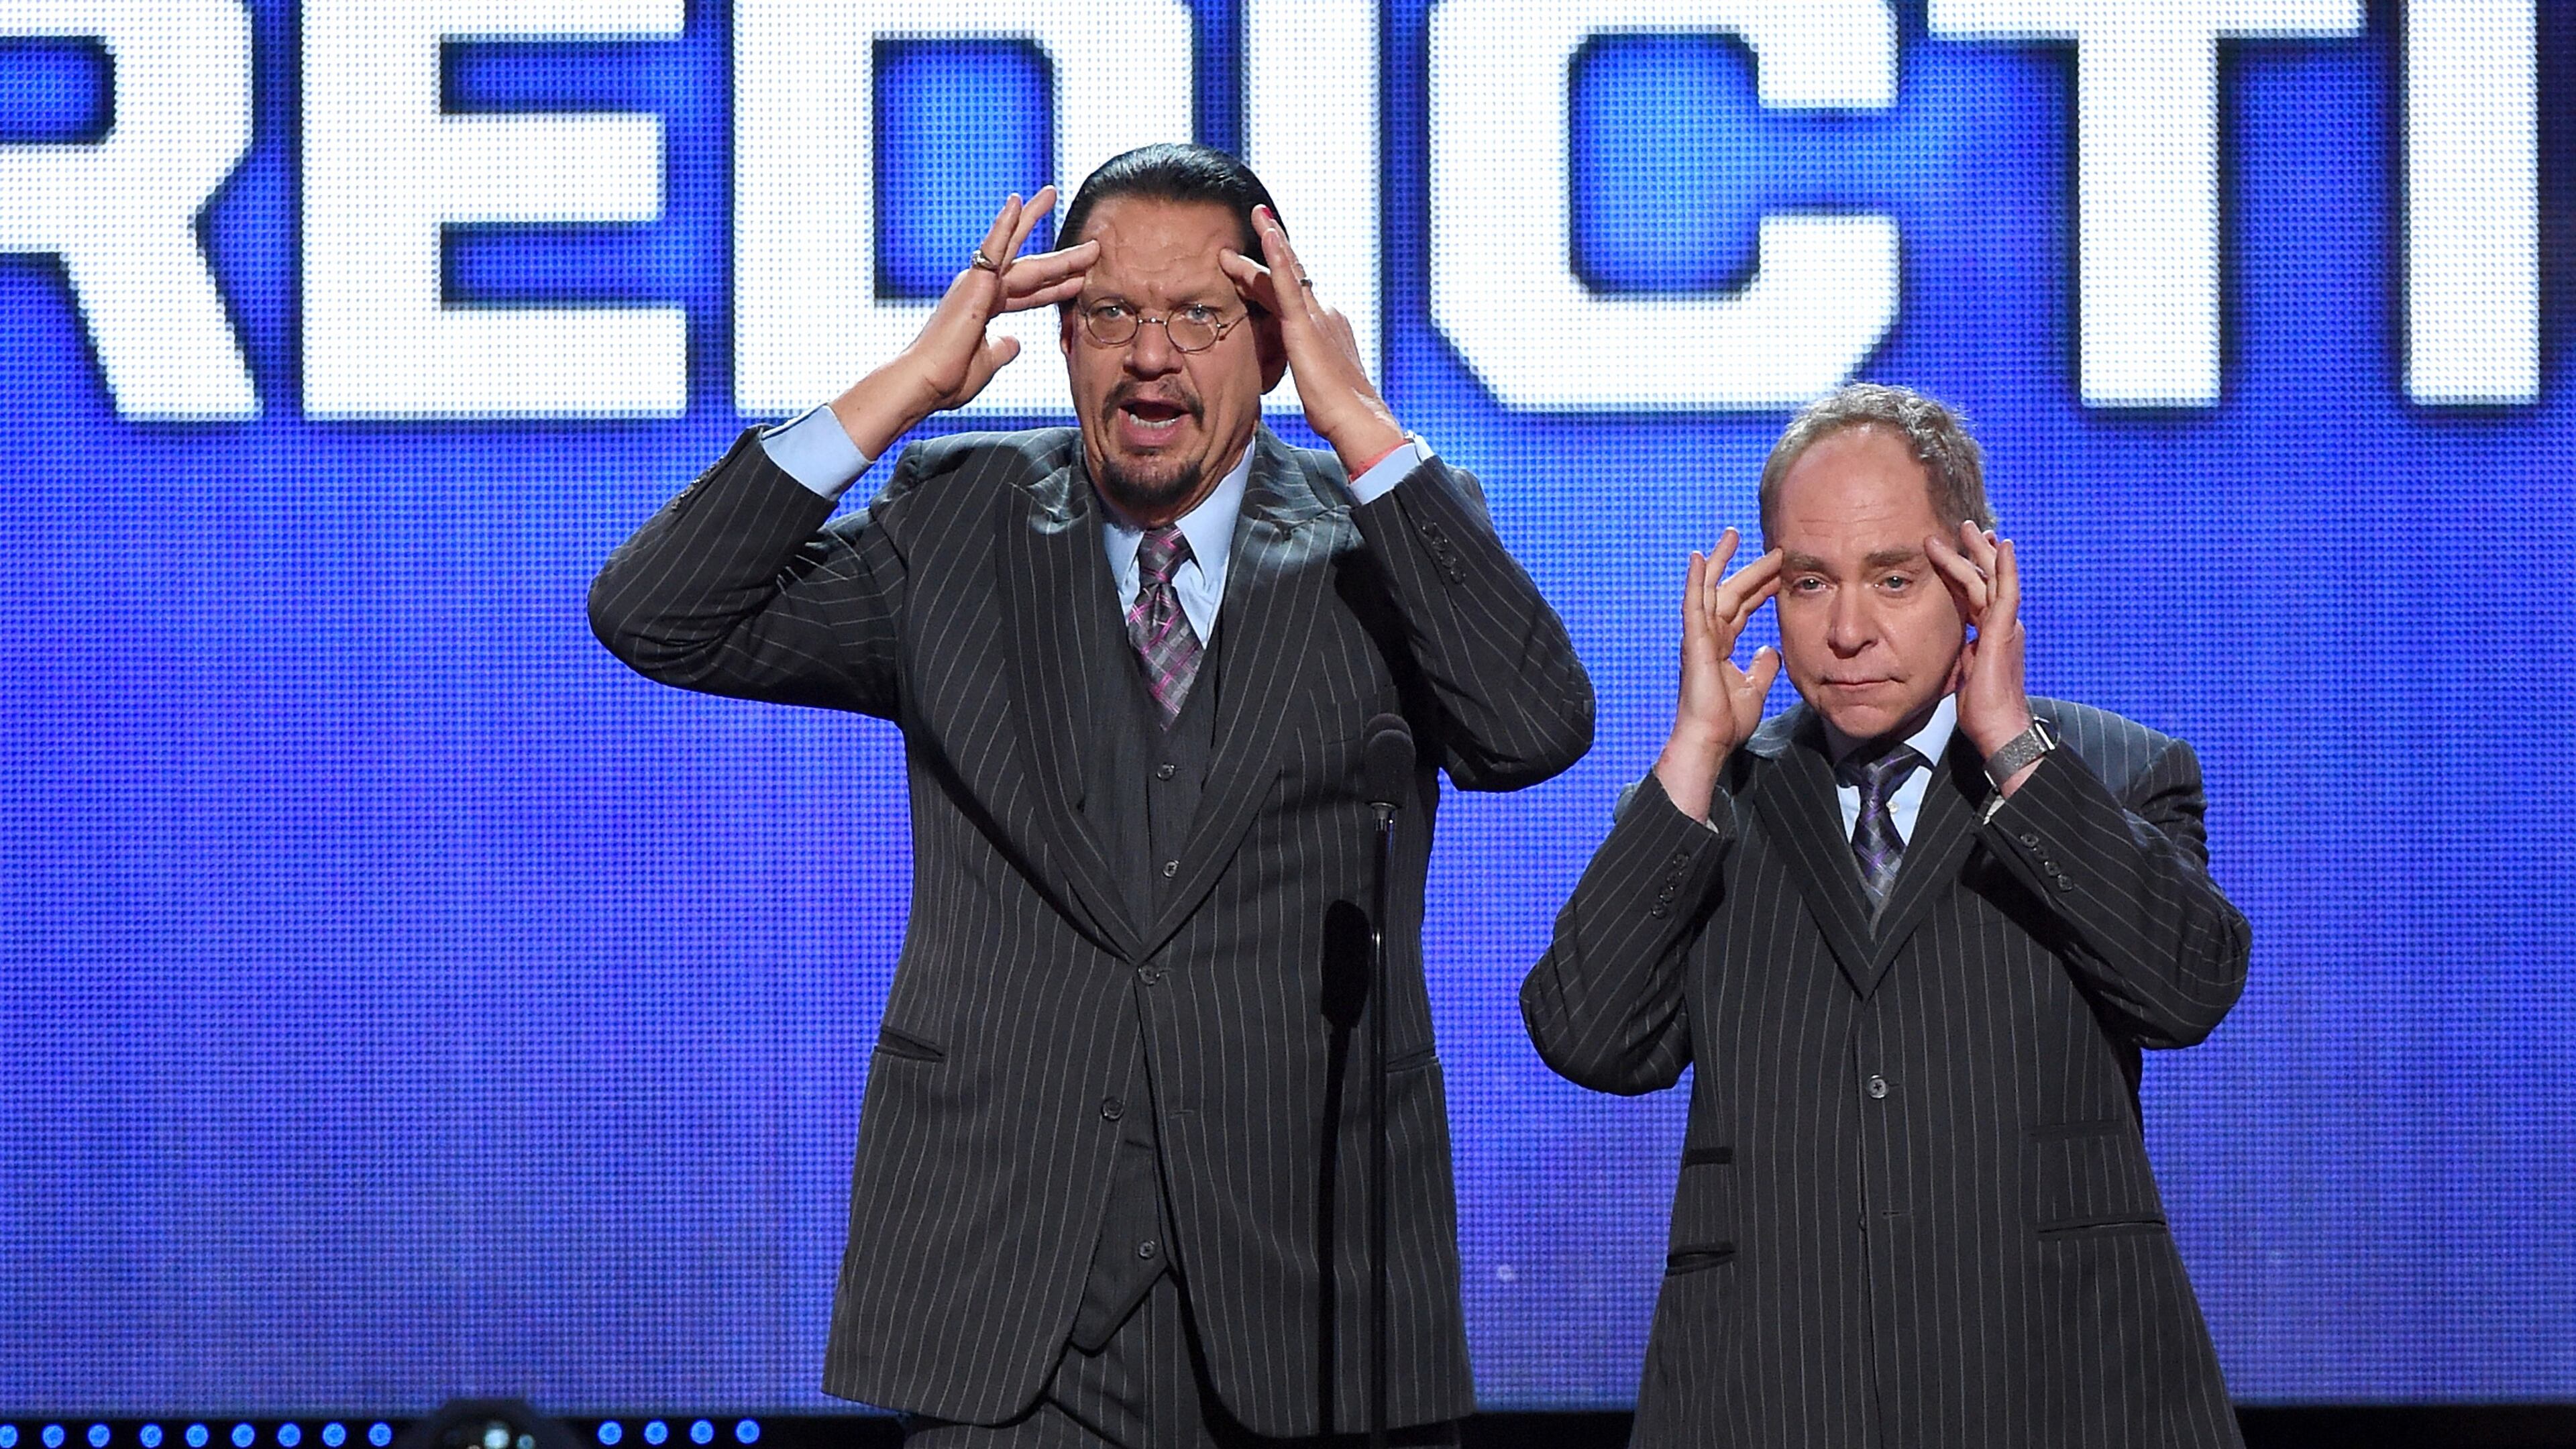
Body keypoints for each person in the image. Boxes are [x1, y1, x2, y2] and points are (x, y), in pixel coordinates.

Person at [590, 144, 1593, 1445]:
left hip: (1318, 1308)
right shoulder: (957, 528)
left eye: (1199, 315)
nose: (1150, 355)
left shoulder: (1385, 538)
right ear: (1062, 340)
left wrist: (1357, 420)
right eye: (1108, 313)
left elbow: (1533, 729)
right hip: (1017, 1317)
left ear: (1276, 343)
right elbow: (654, 615)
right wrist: (900, 393)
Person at [1519, 384, 2250, 1446]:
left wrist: (2009, 747)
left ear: (1975, 575)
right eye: (1811, 583)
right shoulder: (1710, 804)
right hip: (1776, 1400)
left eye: (1894, 579)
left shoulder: (2113, 774)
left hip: (2057, 1395)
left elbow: (2188, 988)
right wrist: (1692, 750)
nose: (1848, 631)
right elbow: (1589, 1036)